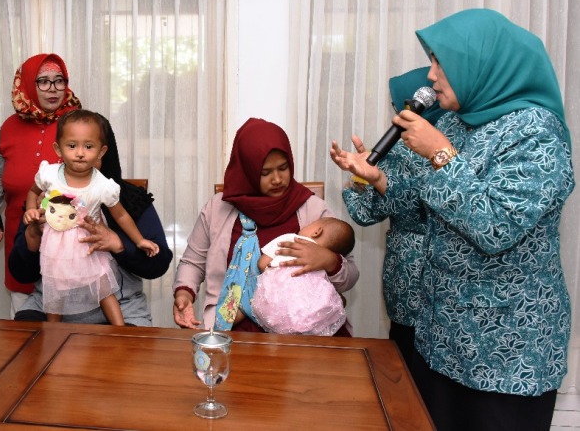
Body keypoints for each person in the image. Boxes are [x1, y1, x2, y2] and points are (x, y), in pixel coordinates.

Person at [334, 9, 574, 431]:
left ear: (479, 63)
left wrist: (440, 153)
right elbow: (428, 213)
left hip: (505, 354)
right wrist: (379, 181)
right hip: (442, 340)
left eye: (440, 62)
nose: (430, 75)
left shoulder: (537, 131)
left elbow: (497, 227)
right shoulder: (460, 125)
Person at [172, 117, 359, 333]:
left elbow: (351, 276)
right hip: (232, 331)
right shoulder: (217, 209)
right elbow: (193, 263)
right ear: (247, 170)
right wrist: (184, 293)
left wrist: (328, 260)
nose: (278, 179)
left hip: (301, 333)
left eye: (283, 168)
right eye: (265, 173)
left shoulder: (312, 209)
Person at [9, 113, 173, 326]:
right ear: (60, 149)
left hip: (122, 305)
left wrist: (120, 245)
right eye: (72, 146)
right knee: (27, 346)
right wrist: (33, 235)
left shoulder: (125, 197)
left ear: (104, 152)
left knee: (127, 350)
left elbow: (158, 264)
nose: (79, 154)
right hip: (50, 301)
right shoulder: (50, 192)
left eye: (88, 147)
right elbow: (20, 273)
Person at [329, 66, 444, 369]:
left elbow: (365, 214)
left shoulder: (413, 152)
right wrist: (369, 174)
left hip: (413, 274)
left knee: (409, 369)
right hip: (436, 283)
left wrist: (361, 181)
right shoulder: (456, 150)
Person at [0, 54, 81, 315]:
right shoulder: (10, 127)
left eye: (59, 81)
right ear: (27, 85)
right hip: (22, 237)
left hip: (70, 243)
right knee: (25, 324)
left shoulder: (80, 124)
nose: (53, 89)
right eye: (43, 82)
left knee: (70, 329)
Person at [251, 216, 354, 336]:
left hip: (279, 301)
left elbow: (262, 264)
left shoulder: (292, 239)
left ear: (317, 231)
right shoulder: (321, 259)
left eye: (312, 223)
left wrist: (271, 270)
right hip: (311, 311)